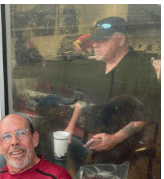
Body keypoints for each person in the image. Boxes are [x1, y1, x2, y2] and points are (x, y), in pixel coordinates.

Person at [65, 16, 160, 165]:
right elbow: (82, 98)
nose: (94, 45)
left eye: (102, 40)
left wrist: (113, 139)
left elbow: (145, 115)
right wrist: (70, 127)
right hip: (91, 133)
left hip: (122, 140)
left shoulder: (141, 68)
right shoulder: (97, 64)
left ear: (121, 40)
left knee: (98, 175)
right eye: (94, 40)